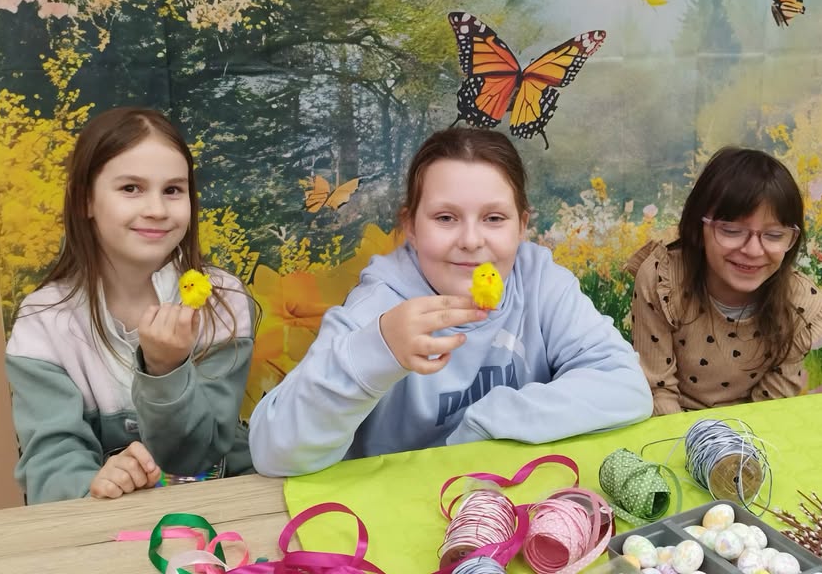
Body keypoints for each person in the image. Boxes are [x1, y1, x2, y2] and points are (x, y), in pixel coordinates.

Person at [249, 128, 652, 476]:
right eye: (445, 218)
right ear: (410, 225)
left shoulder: (541, 282)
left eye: (494, 218)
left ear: (522, 226)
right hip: (389, 512)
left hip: (507, 499)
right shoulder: (379, 306)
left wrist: (485, 423)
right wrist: (378, 349)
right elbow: (273, 452)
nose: (471, 241)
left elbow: (625, 386)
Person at [5, 107, 255, 503]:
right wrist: (91, 485)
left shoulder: (222, 300)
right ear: (85, 200)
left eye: (173, 190)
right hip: (107, 527)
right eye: (131, 188)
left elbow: (196, 456)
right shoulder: (43, 321)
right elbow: (49, 467)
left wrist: (166, 370)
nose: (157, 209)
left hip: (224, 516)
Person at [626, 146, 822, 416]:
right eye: (731, 230)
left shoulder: (800, 302)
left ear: (791, 239)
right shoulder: (662, 281)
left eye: (774, 235)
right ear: (698, 227)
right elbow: (657, 389)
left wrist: (736, 441)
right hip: (671, 424)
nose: (753, 250)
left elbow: (772, 405)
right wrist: (697, 440)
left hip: (749, 430)